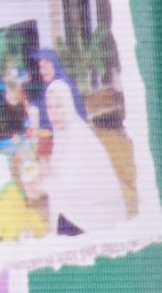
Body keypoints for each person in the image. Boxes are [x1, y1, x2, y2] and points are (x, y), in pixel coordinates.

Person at [32, 51, 133, 237]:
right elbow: (59, 174)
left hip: (98, 221)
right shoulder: (63, 135)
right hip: (80, 212)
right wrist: (44, 172)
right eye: (50, 108)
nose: (54, 113)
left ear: (69, 105)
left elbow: (69, 185)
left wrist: (43, 186)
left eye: (59, 106)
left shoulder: (80, 138)